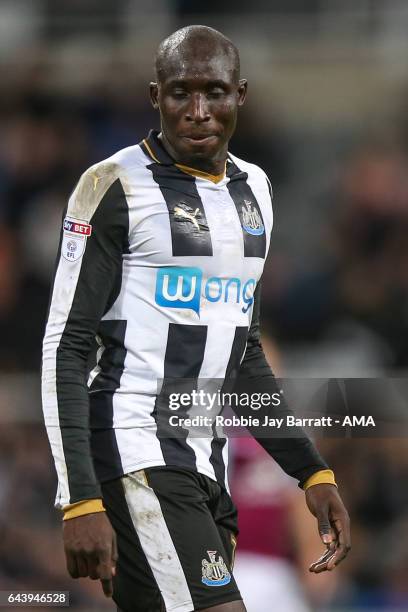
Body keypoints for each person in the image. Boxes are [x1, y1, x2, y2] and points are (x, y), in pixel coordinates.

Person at [41, 25, 351, 612]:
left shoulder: (255, 189)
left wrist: (311, 472)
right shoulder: (113, 186)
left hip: (208, 462)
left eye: (215, 92)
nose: (199, 111)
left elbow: (244, 351)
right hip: (135, 448)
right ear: (155, 96)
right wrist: (79, 497)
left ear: (242, 96)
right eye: (181, 93)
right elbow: (67, 343)